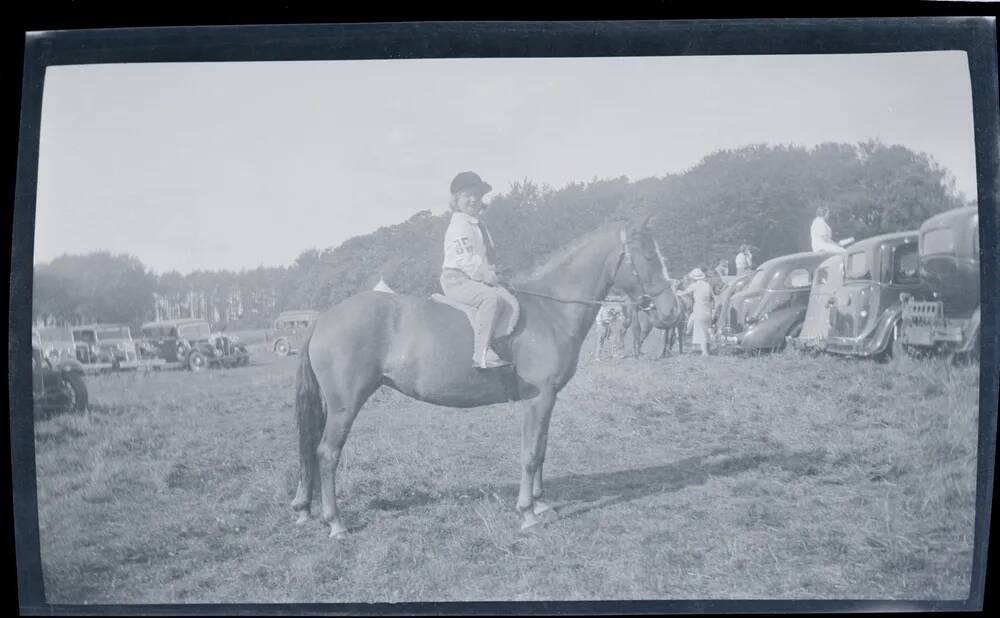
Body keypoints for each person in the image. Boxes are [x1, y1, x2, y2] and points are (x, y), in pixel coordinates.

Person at [440, 171, 518, 369]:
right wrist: (488, 277)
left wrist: (495, 275)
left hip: (475, 279)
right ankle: (480, 354)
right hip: (457, 280)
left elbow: (485, 257)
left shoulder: (478, 224)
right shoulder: (458, 225)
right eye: (467, 196)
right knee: (490, 298)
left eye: (477, 195)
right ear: (457, 200)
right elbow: (467, 260)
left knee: (510, 299)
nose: (473, 200)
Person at [677, 268, 714, 356]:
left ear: (693, 279)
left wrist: (677, 292)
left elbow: (683, 293)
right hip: (708, 310)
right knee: (706, 331)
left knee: (701, 332)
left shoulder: (695, 285)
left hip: (699, 310)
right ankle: (704, 349)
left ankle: (705, 353)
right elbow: (713, 296)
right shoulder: (707, 285)